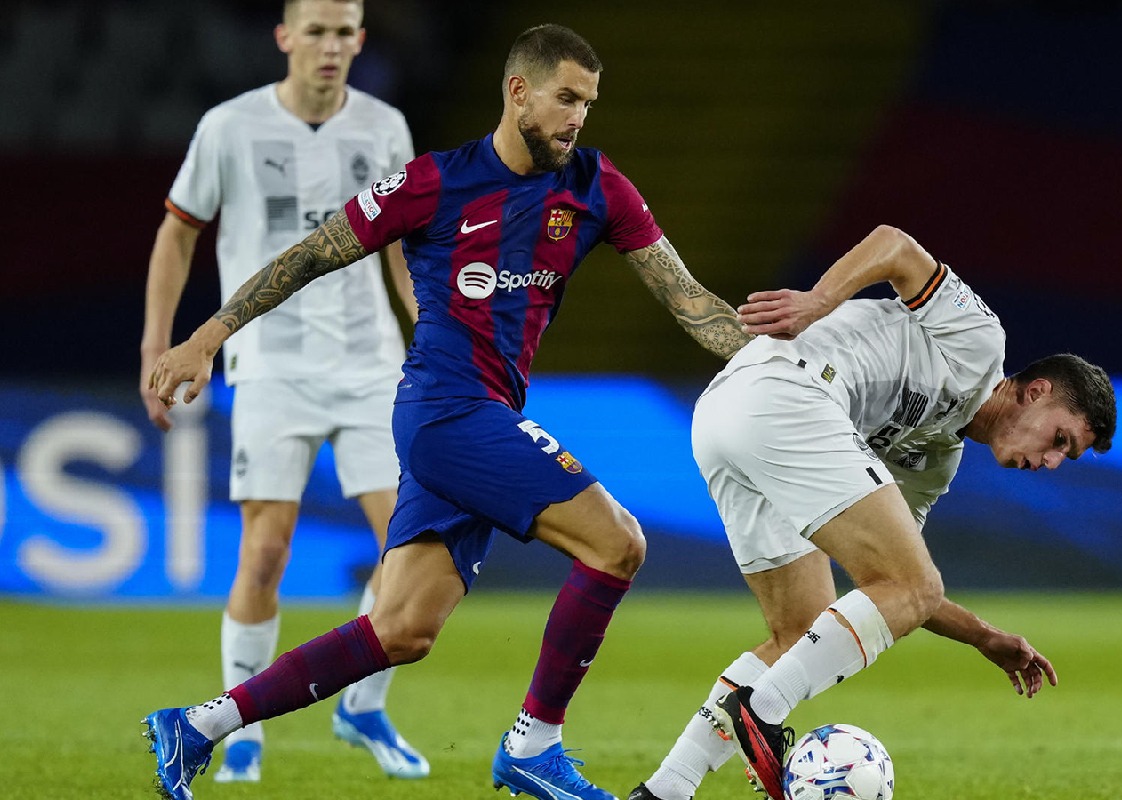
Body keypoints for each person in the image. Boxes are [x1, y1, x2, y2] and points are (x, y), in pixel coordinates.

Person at [141, 22, 752, 800]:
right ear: (517, 90)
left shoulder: (598, 188)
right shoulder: (435, 182)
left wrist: (786, 368)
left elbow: (691, 302)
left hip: (484, 411)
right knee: (618, 544)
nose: (577, 118)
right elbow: (311, 254)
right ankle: (534, 745)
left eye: (588, 105)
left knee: (401, 630)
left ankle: (197, 726)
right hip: (445, 411)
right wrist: (206, 337)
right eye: (565, 98)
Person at [628, 224, 1117, 800]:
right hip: (783, 393)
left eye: (1067, 456)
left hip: (725, 420)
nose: (1053, 462)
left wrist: (983, 637)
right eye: (1061, 439)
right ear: (1035, 392)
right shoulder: (981, 342)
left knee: (800, 631)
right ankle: (760, 711)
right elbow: (896, 246)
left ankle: (667, 789)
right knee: (904, 586)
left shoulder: (936, 457)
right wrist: (815, 303)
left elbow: (894, 593)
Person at [137, 0, 427, 785]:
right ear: (285, 37)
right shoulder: (229, 127)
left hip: (370, 363)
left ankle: (362, 706)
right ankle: (239, 728)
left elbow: (401, 243)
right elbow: (179, 231)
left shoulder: (384, 127)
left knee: (408, 549)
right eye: (317, 31)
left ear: (360, 41)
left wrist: (429, 331)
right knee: (264, 553)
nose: (330, 46)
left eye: (345, 33)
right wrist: (155, 343)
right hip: (269, 363)